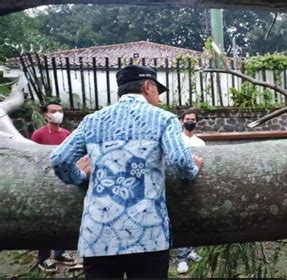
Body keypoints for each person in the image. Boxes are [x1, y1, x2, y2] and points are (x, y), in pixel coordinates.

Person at [49, 65, 203, 278]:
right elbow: (179, 159)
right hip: (147, 235)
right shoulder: (163, 119)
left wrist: (78, 176)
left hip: (98, 236)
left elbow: (59, 158)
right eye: (158, 90)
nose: (158, 98)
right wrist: (193, 169)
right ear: (147, 86)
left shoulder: (92, 120)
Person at [31, 101, 75, 272]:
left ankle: (59, 253)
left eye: (60, 110)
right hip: (43, 182)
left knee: (62, 219)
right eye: (54, 111)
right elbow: (33, 157)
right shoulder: (38, 134)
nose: (58, 113)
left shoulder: (66, 134)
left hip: (62, 181)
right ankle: (43, 257)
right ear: (45, 115)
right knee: (45, 221)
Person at [176, 108, 205, 274]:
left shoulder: (201, 143)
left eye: (193, 119)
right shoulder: (177, 141)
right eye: (187, 119)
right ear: (182, 121)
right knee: (181, 221)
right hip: (180, 185)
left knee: (194, 219)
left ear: (197, 122)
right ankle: (181, 258)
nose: (190, 121)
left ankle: (192, 251)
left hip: (195, 185)